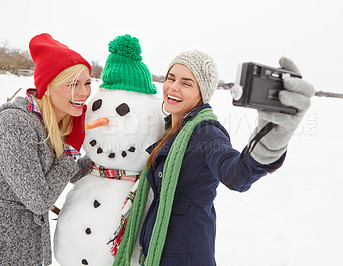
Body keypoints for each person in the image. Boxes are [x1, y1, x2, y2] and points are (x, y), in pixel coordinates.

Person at [114, 50, 315, 265]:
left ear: (203, 92)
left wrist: (270, 139)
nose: (173, 87)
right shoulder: (166, 131)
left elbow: (238, 174)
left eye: (187, 83)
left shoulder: (206, 132)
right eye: (171, 78)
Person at [0, 33, 93, 265]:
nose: (83, 93)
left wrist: (112, 157)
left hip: (30, 251)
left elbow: (69, 173)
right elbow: (39, 200)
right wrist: (72, 148)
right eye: (73, 84)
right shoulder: (15, 124)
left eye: (87, 83)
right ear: (48, 86)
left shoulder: (53, 123)